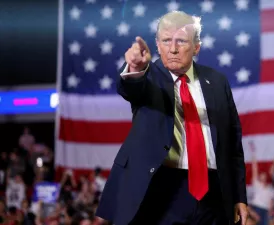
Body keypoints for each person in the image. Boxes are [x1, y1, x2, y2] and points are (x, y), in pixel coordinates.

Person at [95, 11, 248, 225]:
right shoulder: (148, 75)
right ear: (157, 45)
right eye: (166, 41)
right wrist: (136, 68)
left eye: (181, 41)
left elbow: (233, 144)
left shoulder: (217, 81)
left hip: (213, 192)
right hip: (161, 189)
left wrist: (240, 196)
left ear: (196, 47)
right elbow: (131, 88)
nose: (173, 49)